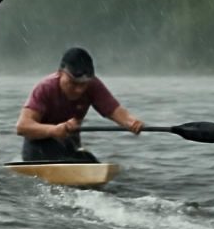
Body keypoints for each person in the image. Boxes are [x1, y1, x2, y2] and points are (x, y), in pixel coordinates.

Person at [15, 47, 144, 162]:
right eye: (73, 83)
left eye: (83, 84)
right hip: (38, 147)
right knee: (60, 156)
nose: (79, 90)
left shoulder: (93, 85)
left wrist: (131, 123)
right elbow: (22, 126)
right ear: (60, 73)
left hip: (69, 146)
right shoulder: (45, 88)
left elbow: (114, 111)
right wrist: (53, 130)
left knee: (90, 161)